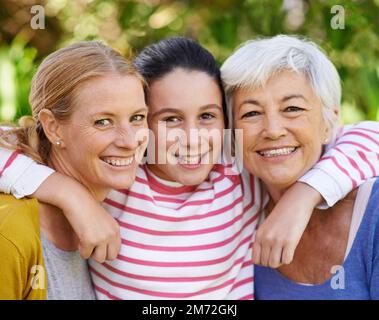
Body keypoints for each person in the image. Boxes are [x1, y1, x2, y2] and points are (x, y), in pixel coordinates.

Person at [1, 37, 378, 299]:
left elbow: (368, 135)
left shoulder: (237, 174)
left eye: (208, 116)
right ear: (143, 121)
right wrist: (72, 197)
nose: (194, 138)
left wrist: (302, 196)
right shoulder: (119, 177)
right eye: (170, 119)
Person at [221, 34, 379, 299]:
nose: (272, 131)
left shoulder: (373, 211)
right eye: (251, 113)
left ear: (329, 123)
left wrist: (304, 194)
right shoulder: (240, 211)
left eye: (292, 108)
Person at [0, 41, 148, 299]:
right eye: (103, 122)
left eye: (137, 117)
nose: (129, 141)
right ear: (54, 127)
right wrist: (69, 193)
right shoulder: (10, 232)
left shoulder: (115, 201)